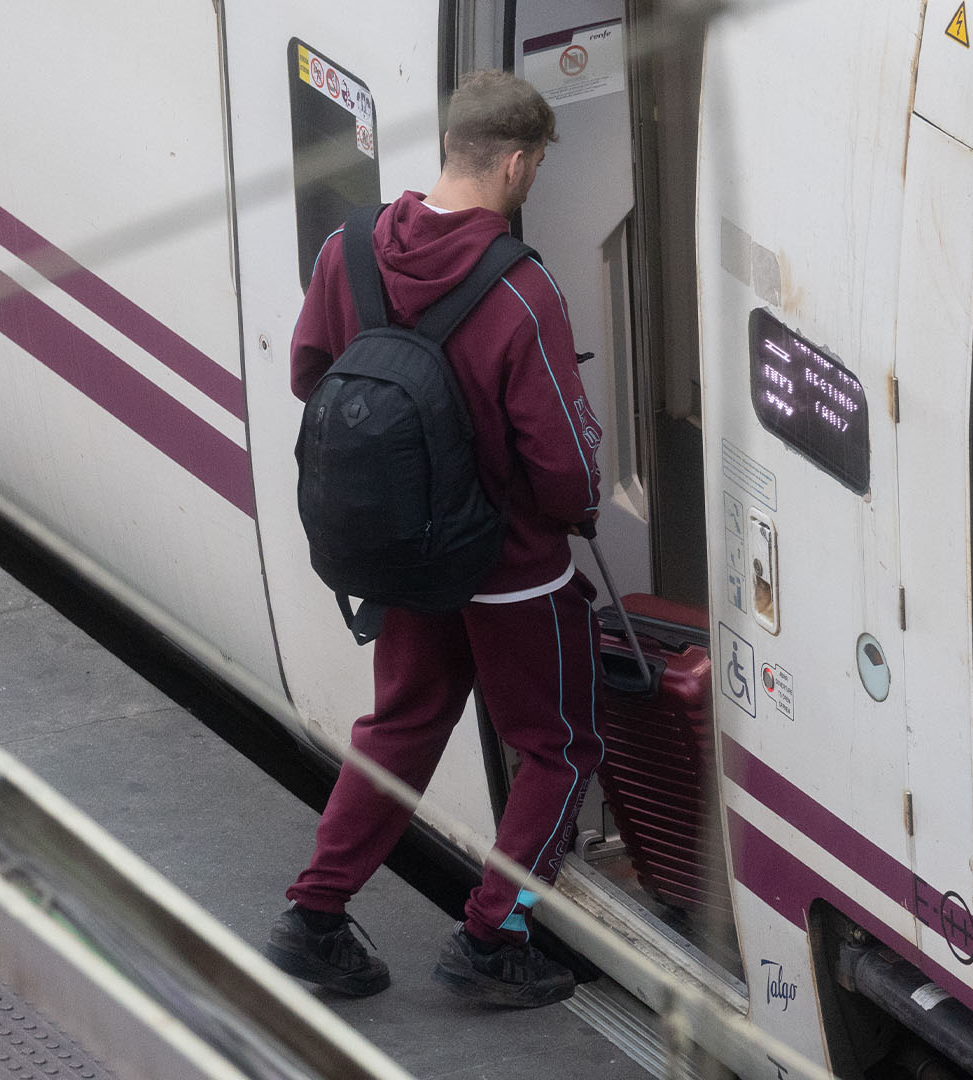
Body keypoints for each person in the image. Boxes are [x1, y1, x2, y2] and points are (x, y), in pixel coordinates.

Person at [265, 69, 605, 1009]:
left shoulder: (349, 251)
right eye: (533, 164)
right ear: (513, 161)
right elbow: (566, 467)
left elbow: (310, 376)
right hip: (510, 575)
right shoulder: (523, 291)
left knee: (403, 729)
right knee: (561, 747)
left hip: (405, 560)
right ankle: (497, 935)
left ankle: (316, 914)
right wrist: (567, 502)